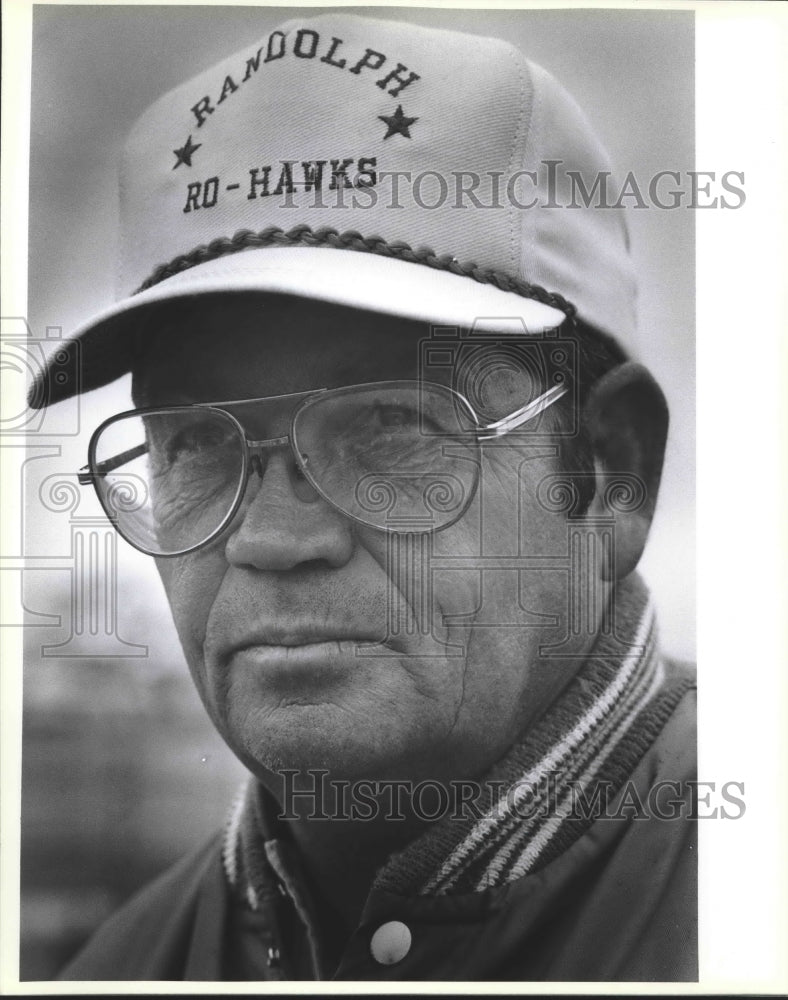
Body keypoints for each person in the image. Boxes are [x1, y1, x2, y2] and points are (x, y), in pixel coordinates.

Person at [30, 12, 696, 982]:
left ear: (608, 471)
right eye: (193, 448)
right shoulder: (122, 967)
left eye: (389, 427)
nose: (270, 538)